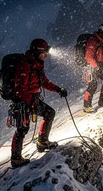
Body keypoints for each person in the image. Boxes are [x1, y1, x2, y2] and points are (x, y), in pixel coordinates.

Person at [10, 38, 68, 168]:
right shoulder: (25, 66)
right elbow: (20, 90)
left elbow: (44, 82)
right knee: (22, 129)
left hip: (31, 100)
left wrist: (58, 89)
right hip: (22, 102)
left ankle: (42, 142)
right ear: (36, 53)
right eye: (43, 54)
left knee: (49, 113)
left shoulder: (37, 65)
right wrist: (31, 102)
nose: (45, 56)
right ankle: (16, 159)